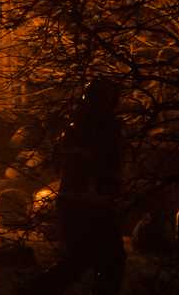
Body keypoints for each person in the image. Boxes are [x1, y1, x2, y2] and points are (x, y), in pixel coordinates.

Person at [30, 80, 125, 295]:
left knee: (90, 261)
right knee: (96, 261)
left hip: (81, 201)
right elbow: (97, 165)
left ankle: (34, 290)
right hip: (88, 202)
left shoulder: (79, 126)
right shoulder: (96, 128)